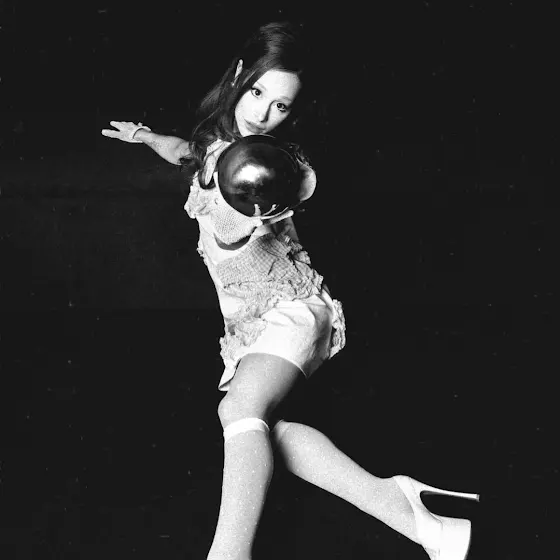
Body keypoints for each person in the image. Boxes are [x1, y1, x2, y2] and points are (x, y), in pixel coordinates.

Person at [101, 21, 479, 560]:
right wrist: (143, 136)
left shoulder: (275, 169)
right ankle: (418, 518)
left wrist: (252, 222)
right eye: (257, 93)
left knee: (239, 410)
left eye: (281, 105)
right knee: (268, 432)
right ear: (239, 75)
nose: (262, 113)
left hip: (293, 309)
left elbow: (263, 212)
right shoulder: (217, 148)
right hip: (249, 324)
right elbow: (188, 152)